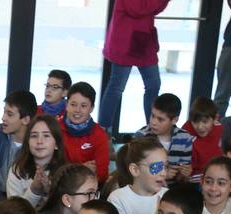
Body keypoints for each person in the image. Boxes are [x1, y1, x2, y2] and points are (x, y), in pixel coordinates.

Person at [99, 0, 170, 130]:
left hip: (143, 40)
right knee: (117, 87)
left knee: (153, 85)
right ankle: (104, 129)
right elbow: (137, 8)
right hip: (125, 41)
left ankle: (153, 129)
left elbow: (155, 8)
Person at [0, 90, 36, 201]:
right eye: (4, 112)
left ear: (25, 119)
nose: (3, 118)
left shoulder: (35, 142)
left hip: (21, 198)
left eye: (9, 114)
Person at [60, 82, 111, 180]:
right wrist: (81, 168)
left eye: (83, 106)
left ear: (91, 108)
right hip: (58, 187)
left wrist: (68, 168)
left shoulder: (99, 135)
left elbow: (102, 174)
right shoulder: (55, 129)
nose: (77, 110)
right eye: (73, 104)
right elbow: (52, 168)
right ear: (66, 105)